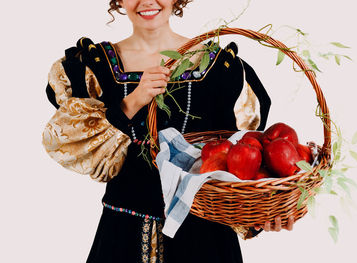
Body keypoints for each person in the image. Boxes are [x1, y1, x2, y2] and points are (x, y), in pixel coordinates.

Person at [42, 0, 293, 262]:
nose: (147, 1)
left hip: (205, 241)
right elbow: (71, 145)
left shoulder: (221, 68)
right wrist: (133, 101)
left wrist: (260, 215)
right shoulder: (94, 67)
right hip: (123, 238)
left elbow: (242, 163)